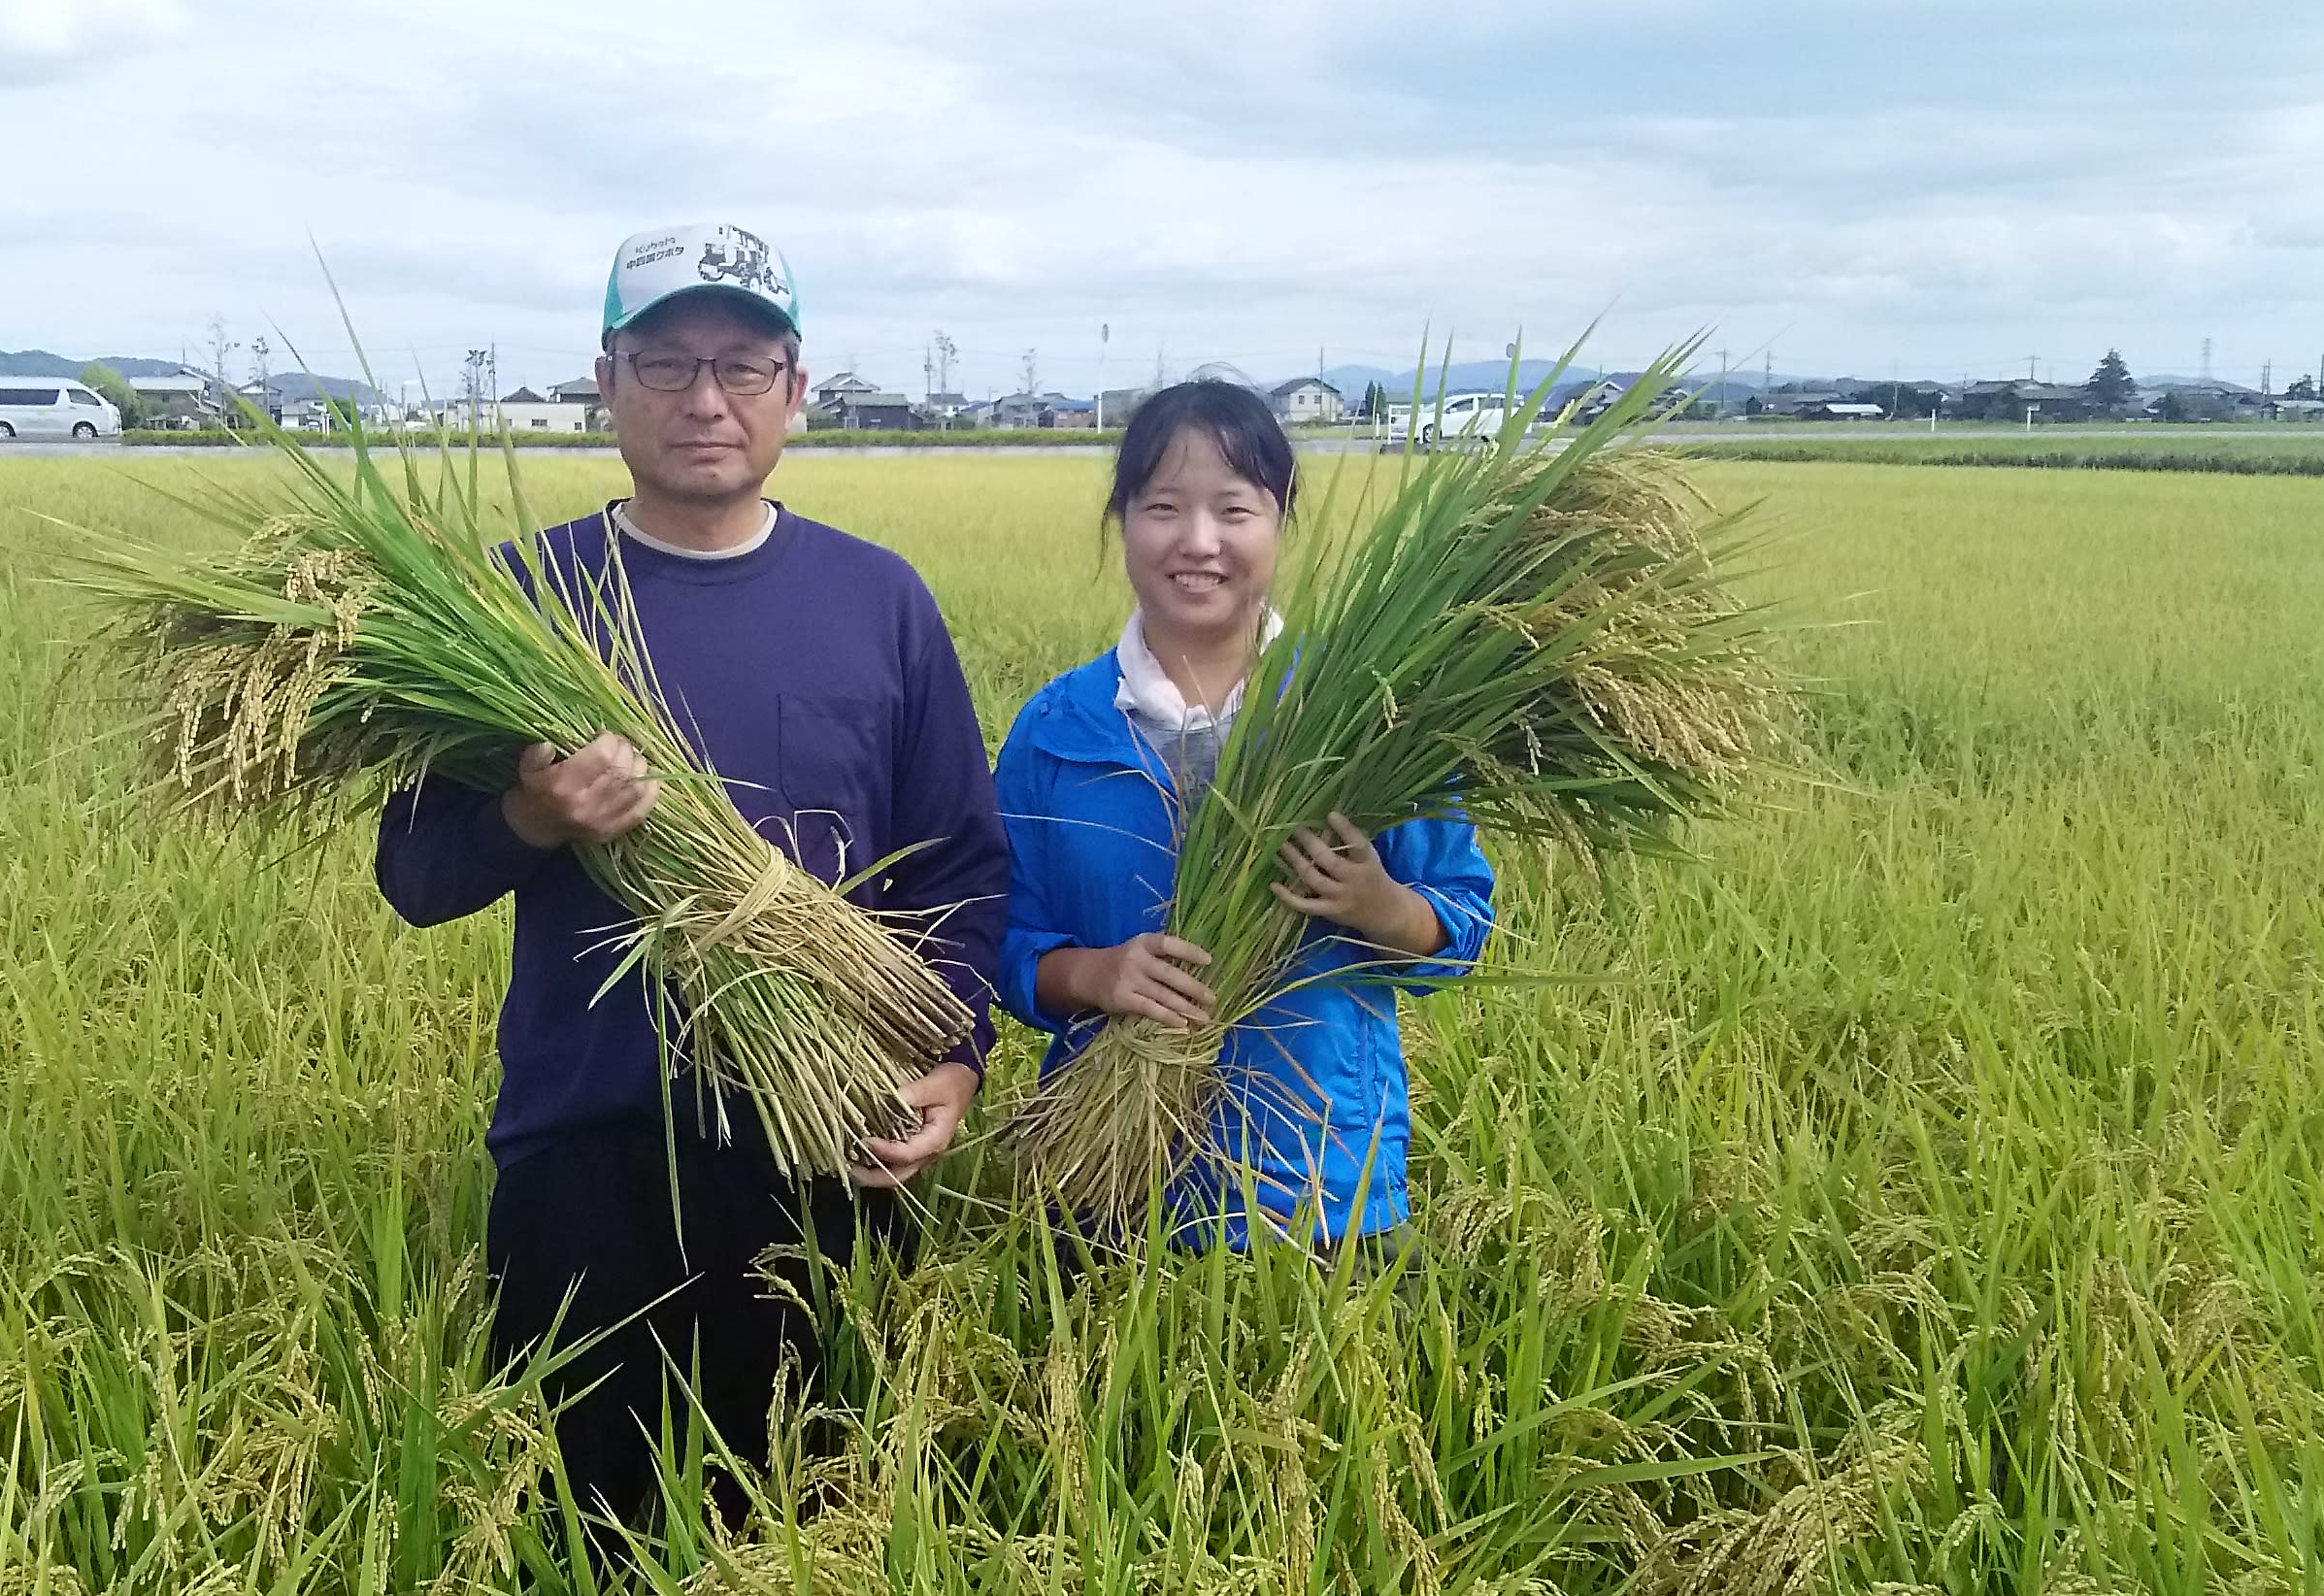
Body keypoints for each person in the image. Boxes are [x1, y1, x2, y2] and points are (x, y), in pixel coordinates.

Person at [375, 223, 1006, 1523]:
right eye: (665, 362)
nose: (704, 399)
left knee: (827, 1543)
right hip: (590, 1151)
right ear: (604, 380)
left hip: (836, 1139)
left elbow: (959, 866)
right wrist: (534, 816)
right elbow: (417, 872)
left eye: (741, 362)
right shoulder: (514, 605)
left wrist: (955, 1056)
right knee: (594, 1546)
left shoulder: (878, 600)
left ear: (798, 387)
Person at [991, 378, 1494, 1248]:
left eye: (1234, 509)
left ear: (1280, 520)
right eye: (1163, 507)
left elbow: (1465, 925)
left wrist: (1384, 910)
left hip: (1324, 1187)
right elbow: (999, 939)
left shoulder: (1371, 715)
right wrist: (1097, 976)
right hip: (1107, 1187)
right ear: (1122, 523)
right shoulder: (1055, 731)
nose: (1198, 541)